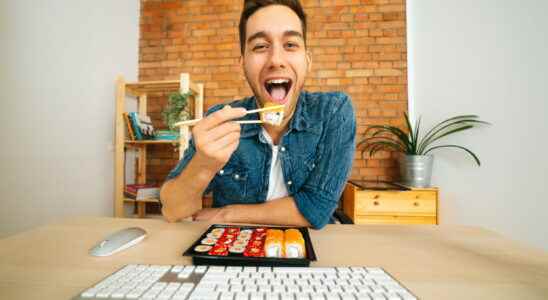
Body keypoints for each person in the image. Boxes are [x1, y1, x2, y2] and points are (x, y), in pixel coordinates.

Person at [160, 0, 355, 229]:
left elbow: (317, 209)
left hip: (307, 250)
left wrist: (226, 214)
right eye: (260, 46)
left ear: (307, 61)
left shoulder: (333, 111)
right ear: (243, 63)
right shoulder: (223, 119)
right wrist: (203, 164)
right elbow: (173, 210)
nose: (276, 60)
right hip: (234, 251)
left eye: (290, 44)